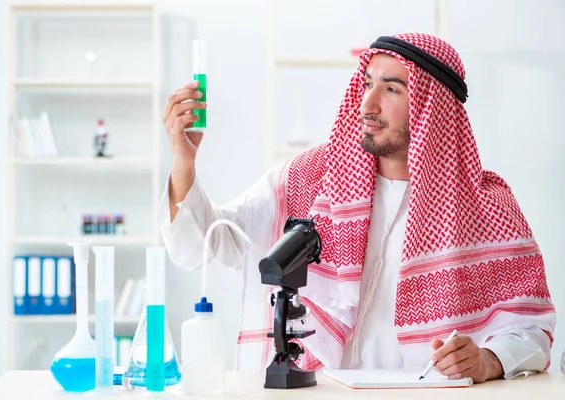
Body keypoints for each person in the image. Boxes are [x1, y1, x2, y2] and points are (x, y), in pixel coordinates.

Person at [158, 33, 555, 382]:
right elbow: (201, 248)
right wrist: (183, 161)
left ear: (432, 109)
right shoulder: (311, 179)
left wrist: (487, 360)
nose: (367, 104)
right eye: (367, 84)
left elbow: (532, 331)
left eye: (392, 89)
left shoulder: (486, 206)